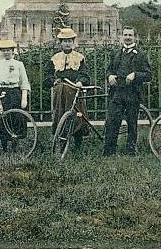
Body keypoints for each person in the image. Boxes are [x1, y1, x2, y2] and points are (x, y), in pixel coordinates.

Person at [103, 27, 152, 156]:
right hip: (117, 94)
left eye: (130, 35)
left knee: (132, 124)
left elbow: (148, 75)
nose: (128, 37)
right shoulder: (116, 53)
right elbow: (109, 70)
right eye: (125, 35)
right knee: (112, 122)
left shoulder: (141, 54)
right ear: (122, 36)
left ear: (135, 37)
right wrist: (110, 76)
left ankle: (130, 152)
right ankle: (109, 152)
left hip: (132, 94)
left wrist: (135, 75)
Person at [44, 28, 91, 150]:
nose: (67, 43)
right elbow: (47, 75)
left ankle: (78, 144)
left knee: (77, 115)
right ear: (60, 43)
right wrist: (53, 81)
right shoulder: (55, 58)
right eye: (64, 41)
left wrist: (80, 81)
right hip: (60, 92)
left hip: (74, 90)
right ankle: (62, 143)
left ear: (73, 42)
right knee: (60, 115)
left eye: (70, 40)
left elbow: (84, 73)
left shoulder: (79, 57)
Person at [0, 39, 31, 151]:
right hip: (2, 93)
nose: (6, 52)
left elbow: (24, 82)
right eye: (4, 50)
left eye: (8, 50)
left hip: (15, 93)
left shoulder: (19, 64)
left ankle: (14, 144)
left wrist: (24, 98)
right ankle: (3, 146)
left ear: (13, 51)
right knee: (2, 118)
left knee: (15, 118)